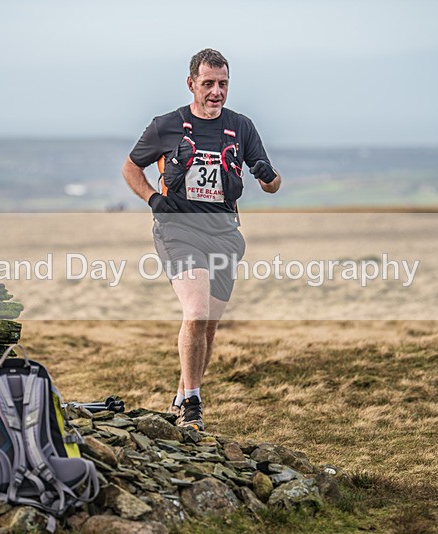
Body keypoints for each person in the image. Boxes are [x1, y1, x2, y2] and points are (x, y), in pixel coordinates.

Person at [122, 48, 281, 431]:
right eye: (208, 83)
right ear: (191, 83)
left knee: (207, 325)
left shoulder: (241, 126)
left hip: (224, 233)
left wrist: (266, 173)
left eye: (222, 84)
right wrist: (153, 199)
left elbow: (272, 186)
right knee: (195, 313)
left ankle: (180, 397)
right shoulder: (166, 125)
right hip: (179, 230)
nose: (216, 92)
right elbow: (131, 167)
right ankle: (193, 402)